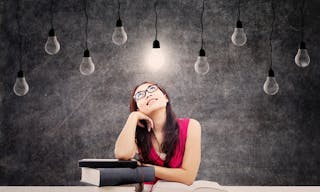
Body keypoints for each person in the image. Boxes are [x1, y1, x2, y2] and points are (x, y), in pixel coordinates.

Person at [114, 81, 201, 187]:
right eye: (140, 95)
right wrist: (133, 117)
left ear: (166, 98)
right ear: (138, 108)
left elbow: (188, 177)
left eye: (151, 89)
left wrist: (145, 168)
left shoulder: (191, 126)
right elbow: (122, 154)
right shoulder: (137, 134)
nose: (148, 94)